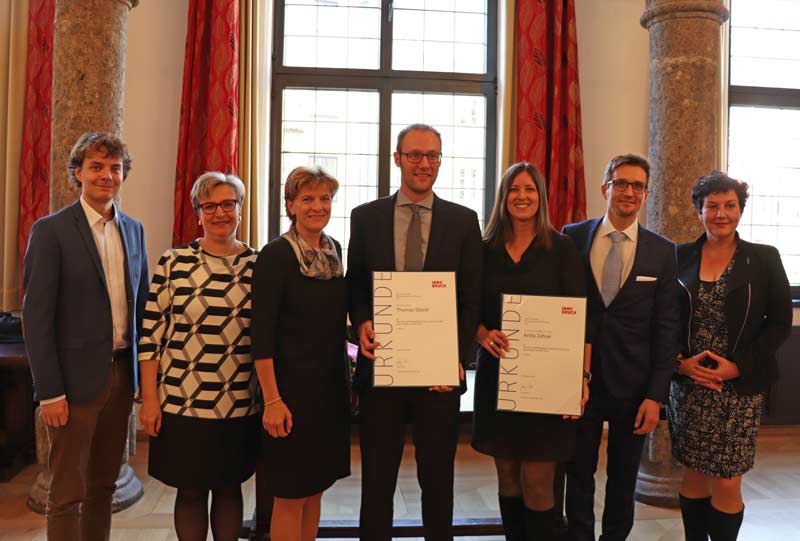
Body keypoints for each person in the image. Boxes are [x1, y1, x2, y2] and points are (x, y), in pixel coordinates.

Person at [346, 123, 483, 540]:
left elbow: (471, 298)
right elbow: (355, 286)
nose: (424, 164)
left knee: (438, 479)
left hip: (437, 378)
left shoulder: (463, 221)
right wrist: (362, 321)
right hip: (382, 370)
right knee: (378, 480)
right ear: (397, 159)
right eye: (415, 155)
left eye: (432, 156)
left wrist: (455, 360)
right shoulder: (365, 217)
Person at [23, 132, 149, 541]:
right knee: (67, 490)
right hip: (73, 385)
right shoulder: (52, 231)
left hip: (120, 376)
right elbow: (36, 319)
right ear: (78, 173)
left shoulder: (134, 230)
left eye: (115, 168)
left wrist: (142, 382)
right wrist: (49, 392)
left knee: (103, 487)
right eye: (96, 167)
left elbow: (142, 308)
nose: (106, 175)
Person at [562, 154, 680, 541]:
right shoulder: (573, 236)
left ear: (645, 194)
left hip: (634, 387)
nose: (629, 192)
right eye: (621, 183)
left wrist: (656, 396)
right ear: (605, 188)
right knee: (577, 472)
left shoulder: (663, 251)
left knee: (623, 476)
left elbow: (667, 329)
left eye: (638, 186)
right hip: (579, 382)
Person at [667, 172, 792, 541]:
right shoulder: (678, 256)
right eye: (712, 206)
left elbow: (780, 323)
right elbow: (663, 317)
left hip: (737, 388)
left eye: (730, 205)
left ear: (740, 210)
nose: (721, 214)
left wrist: (738, 366)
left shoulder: (764, 258)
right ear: (699, 212)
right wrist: (679, 364)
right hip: (688, 385)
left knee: (726, 478)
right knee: (693, 472)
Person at [137, 172, 259, 540]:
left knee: (228, 487)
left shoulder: (258, 265)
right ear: (198, 213)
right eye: (210, 206)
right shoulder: (173, 262)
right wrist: (149, 400)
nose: (220, 213)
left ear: (239, 209)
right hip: (181, 401)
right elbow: (151, 336)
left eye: (228, 204)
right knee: (189, 491)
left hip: (238, 401)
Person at [472, 162, 590, 540]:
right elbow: (467, 307)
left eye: (530, 190)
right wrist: (480, 334)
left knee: (538, 478)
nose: (522, 197)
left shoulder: (562, 248)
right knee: (507, 476)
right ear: (503, 198)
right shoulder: (484, 249)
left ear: (541, 197)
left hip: (548, 384)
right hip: (498, 377)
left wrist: (581, 377)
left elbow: (581, 317)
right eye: (514, 190)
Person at [251, 166, 351, 541]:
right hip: (289, 394)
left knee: (315, 489)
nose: (317, 206)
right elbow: (261, 336)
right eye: (307, 199)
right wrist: (273, 400)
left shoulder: (333, 251)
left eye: (324, 198)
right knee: (290, 495)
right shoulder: (276, 255)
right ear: (290, 205)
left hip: (328, 393)